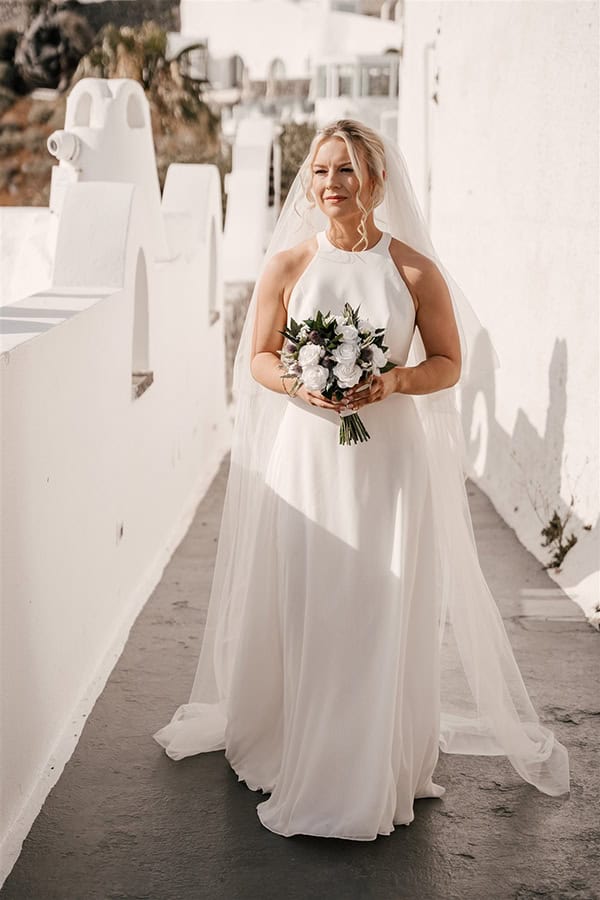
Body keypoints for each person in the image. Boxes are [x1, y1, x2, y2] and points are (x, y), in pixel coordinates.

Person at [153, 119, 570, 840]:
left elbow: (448, 362)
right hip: (309, 457)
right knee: (312, 596)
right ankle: (297, 744)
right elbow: (256, 357)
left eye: (345, 170)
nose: (330, 184)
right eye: (320, 171)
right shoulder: (287, 267)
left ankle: (374, 762)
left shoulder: (412, 270)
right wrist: (297, 383)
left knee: (380, 599)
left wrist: (394, 380)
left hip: (389, 462)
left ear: (377, 181)